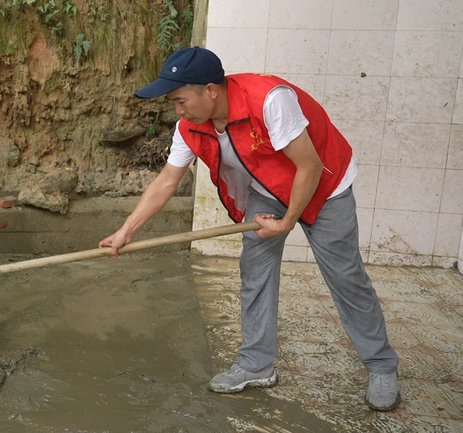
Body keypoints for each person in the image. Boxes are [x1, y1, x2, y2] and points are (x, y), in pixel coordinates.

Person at [99, 46, 400, 411]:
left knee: (344, 276)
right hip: (267, 190)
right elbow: (166, 181)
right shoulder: (189, 127)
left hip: (323, 185)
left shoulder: (269, 100)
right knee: (254, 272)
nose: (177, 110)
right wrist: (126, 230)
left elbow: (309, 166)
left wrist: (289, 221)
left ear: (211, 90)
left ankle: (381, 366)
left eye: (181, 100)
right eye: (173, 102)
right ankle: (257, 364)